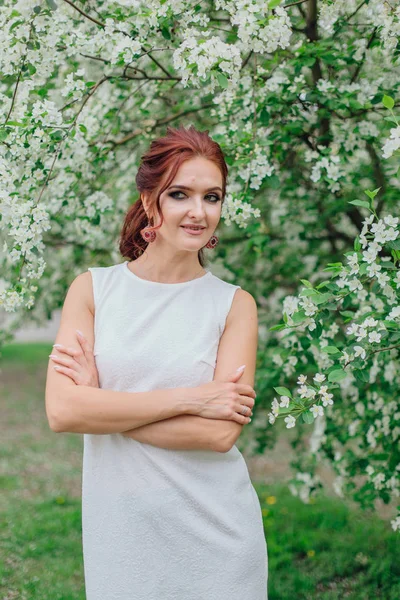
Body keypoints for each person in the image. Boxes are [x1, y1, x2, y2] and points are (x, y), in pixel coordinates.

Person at [45, 124, 268, 599]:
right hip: (123, 541)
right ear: (151, 202)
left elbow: (218, 433)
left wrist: (101, 405)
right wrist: (191, 398)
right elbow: (64, 412)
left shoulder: (235, 305)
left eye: (212, 197)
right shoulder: (93, 291)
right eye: (180, 194)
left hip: (219, 540)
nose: (198, 212)